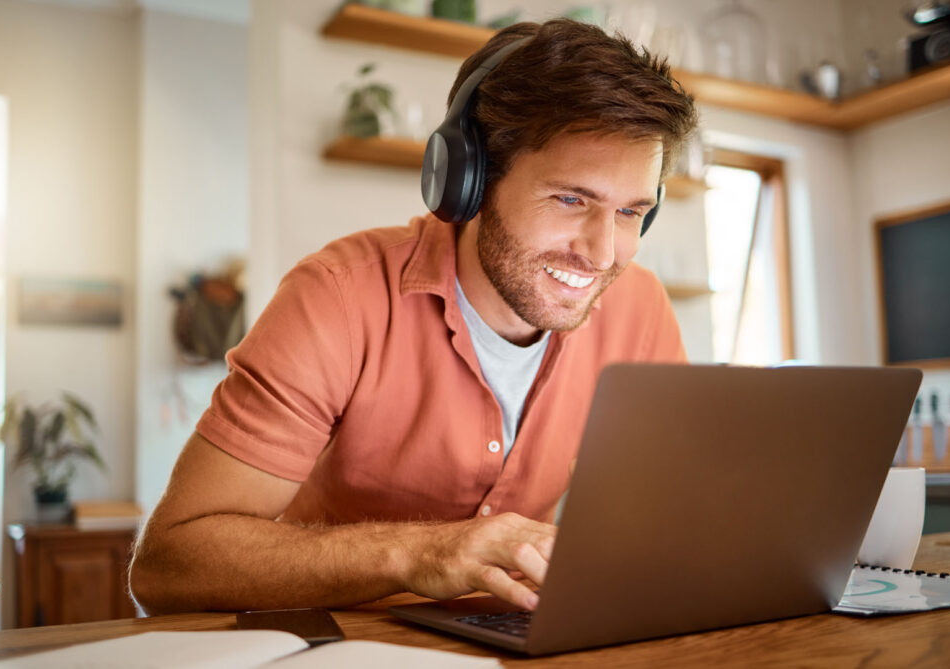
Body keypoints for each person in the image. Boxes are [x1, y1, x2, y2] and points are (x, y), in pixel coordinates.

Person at [128, 18, 698, 615]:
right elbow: (170, 562)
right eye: (571, 199)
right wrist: (421, 553)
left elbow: (675, 512)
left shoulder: (641, 308)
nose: (603, 253)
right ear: (470, 180)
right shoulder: (337, 298)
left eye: (632, 212)